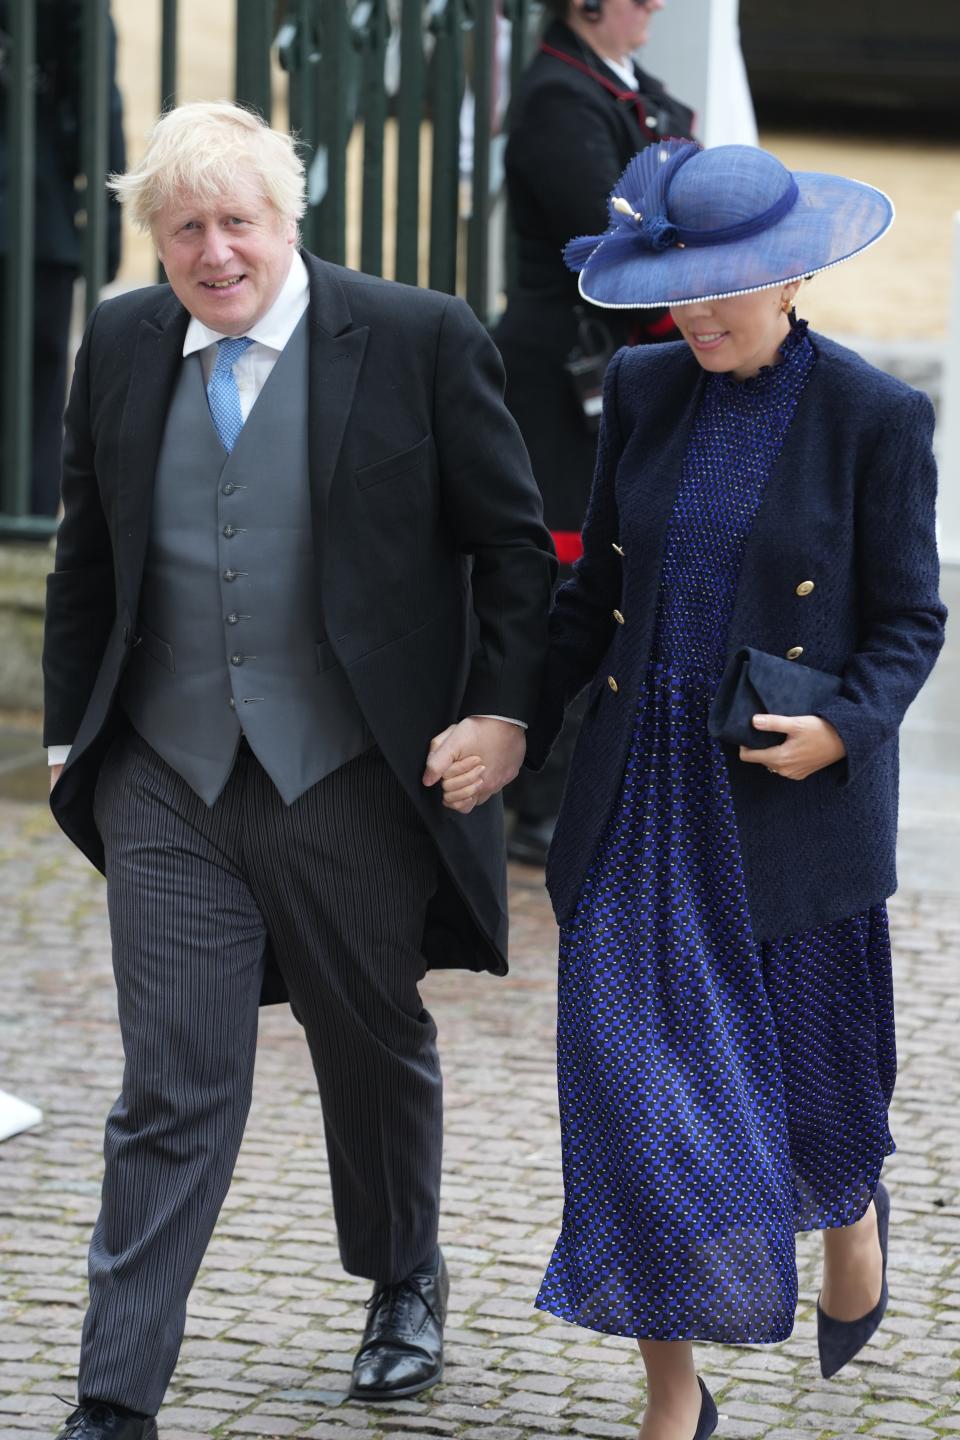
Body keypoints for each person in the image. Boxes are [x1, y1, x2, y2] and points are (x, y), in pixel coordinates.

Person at [41, 100, 554, 1440]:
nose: (215, 252)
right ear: (154, 241)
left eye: (237, 221)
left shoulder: (418, 338)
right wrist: (67, 747)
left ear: (287, 220)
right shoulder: (125, 342)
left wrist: (500, 716)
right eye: (185, 228)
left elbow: (514, 554)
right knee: (173, 1084)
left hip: (350, 768)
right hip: (166, 772)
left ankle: (400, 1277)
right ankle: (116, 1396)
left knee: (370, 1039)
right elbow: (87, 553)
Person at [442, 140, 947, 1440]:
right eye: (684, 283)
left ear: (793, 278)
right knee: (633, 1111)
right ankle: (675, 1397)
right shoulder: (648, 388)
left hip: (785, 806)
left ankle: (847, 1216)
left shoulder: (876, 420)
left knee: (815, 1096)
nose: (703, 310)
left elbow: (909, 619)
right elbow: (592, 601)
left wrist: (842, 727)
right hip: (638, 800)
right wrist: (512, 720)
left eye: (732, 283)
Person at [494, 0, 692, 866]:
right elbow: (615, 252)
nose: (656, 5)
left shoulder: (634, 91)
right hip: (561, 380)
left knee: (617, 571)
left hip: (625, 372)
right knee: (571, 580)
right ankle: (541, 798)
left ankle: (584, 784)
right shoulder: (555, 100)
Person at [0, 0, 124, 516]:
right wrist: (105, 220)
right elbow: (96, 100)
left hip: (36, 216)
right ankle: (20, 527)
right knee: (32, 392)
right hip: (35, 210)